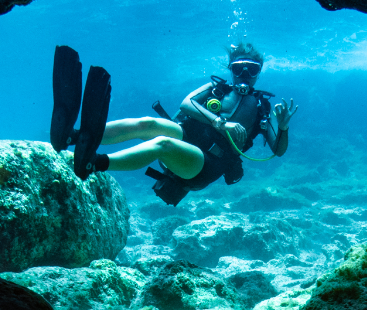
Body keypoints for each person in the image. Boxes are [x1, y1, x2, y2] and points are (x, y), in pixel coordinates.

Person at [50, 43, 297, 205]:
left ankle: (94, 163)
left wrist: (283, 127)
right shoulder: (217, 89)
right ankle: (72, 136)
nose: (244, 75)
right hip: (187, 135)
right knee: (148, 123)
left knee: (163, 144)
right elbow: (186, 103)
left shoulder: (262, 108)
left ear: (259, 72)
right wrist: (220, 123)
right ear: (231, 69)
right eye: (238, 68)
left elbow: (278, 150)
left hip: (206, 164)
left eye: (251, 70)